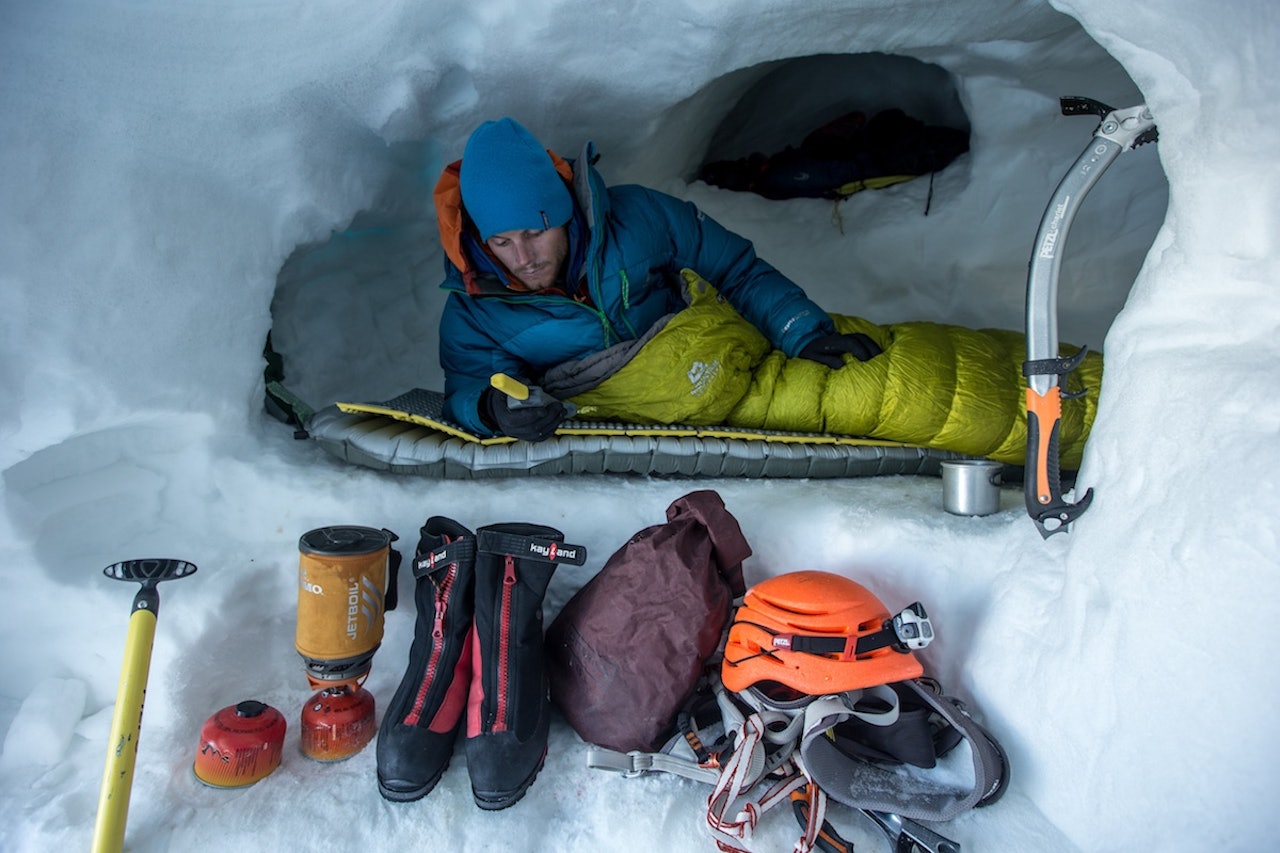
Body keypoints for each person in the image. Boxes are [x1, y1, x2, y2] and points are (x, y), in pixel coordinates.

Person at [434, 117, 881, 440]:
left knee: (877, 381)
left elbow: (736, 271)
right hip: (618, 415)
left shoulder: (641, 217)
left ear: (565, 213)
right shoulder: (474, 307)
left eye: (535, 232)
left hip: (727, 368)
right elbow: (472, 383)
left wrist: (801, 330)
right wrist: (493, 410)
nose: (524, 258)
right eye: (502, 243)